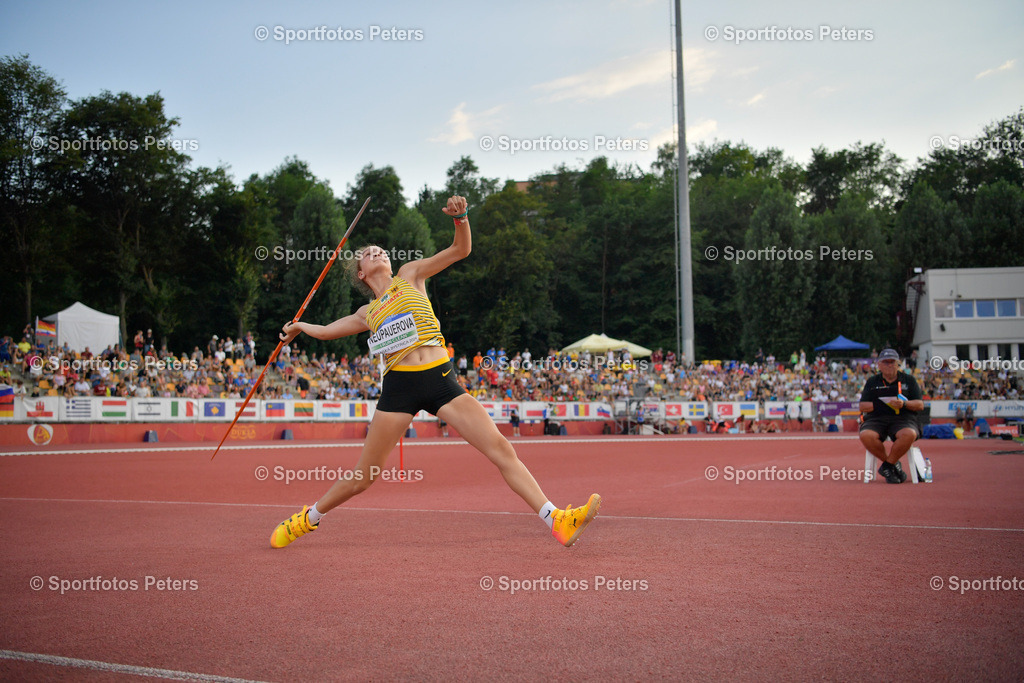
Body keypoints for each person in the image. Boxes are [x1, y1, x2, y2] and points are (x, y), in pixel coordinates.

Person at [270, 195, 601, 549]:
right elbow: (325, 330)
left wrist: (461, 219)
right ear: (362, 274)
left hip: (440, 380)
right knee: (363, 477)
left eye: (381, 249)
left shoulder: (410, 274)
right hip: (398, 388)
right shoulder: (367, 312)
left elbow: (460, 250)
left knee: (501, 449)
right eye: (369, 253)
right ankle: (307, 519)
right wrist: (300, 327)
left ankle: (557, 520)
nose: (378, 252)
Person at [858, 348, 924, 484]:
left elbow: (920, 405)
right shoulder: (872, 381)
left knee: (909, 434)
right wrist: (882, 405)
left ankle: (887, 467)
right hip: (876, 419)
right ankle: (893, 465)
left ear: (898, 364)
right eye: (885, 362)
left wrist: (903, 404)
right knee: (865, 435)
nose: (889, 365)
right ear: (879, 365)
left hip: (903, 418)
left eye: (892, 362)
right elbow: (862, 406)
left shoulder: (909, 380)